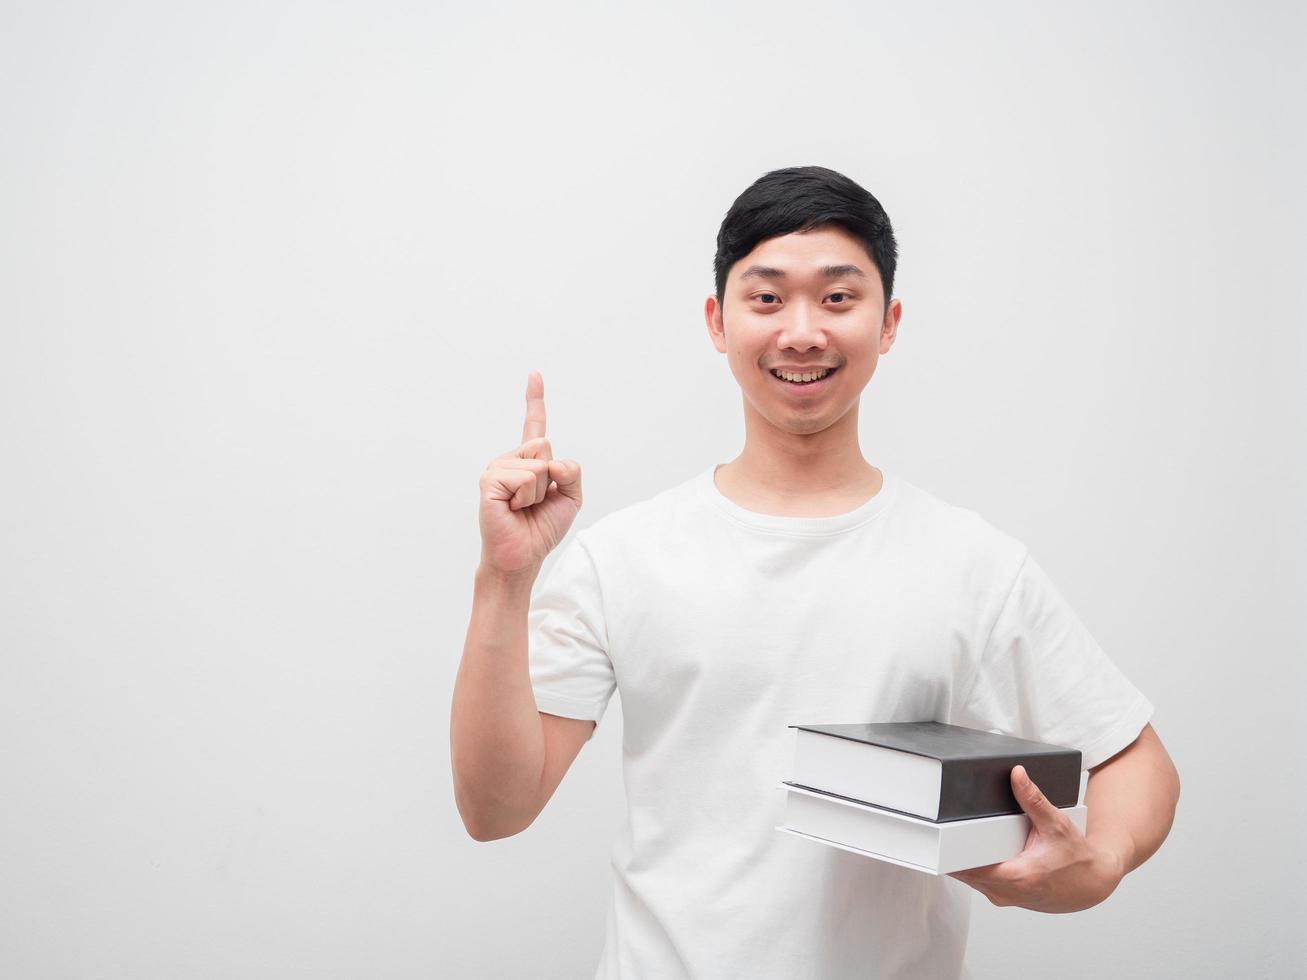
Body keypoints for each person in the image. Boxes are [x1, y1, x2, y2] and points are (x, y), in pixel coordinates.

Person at [449, 165, 1181, 979]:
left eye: (838, 298)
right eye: (765, 298)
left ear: (889, 321)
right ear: (716, 322)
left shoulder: (969, 562)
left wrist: (1099, 862)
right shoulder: (623, 555)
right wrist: (503, 579)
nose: (801, 331)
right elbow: (496, 809)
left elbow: (1134, 761)